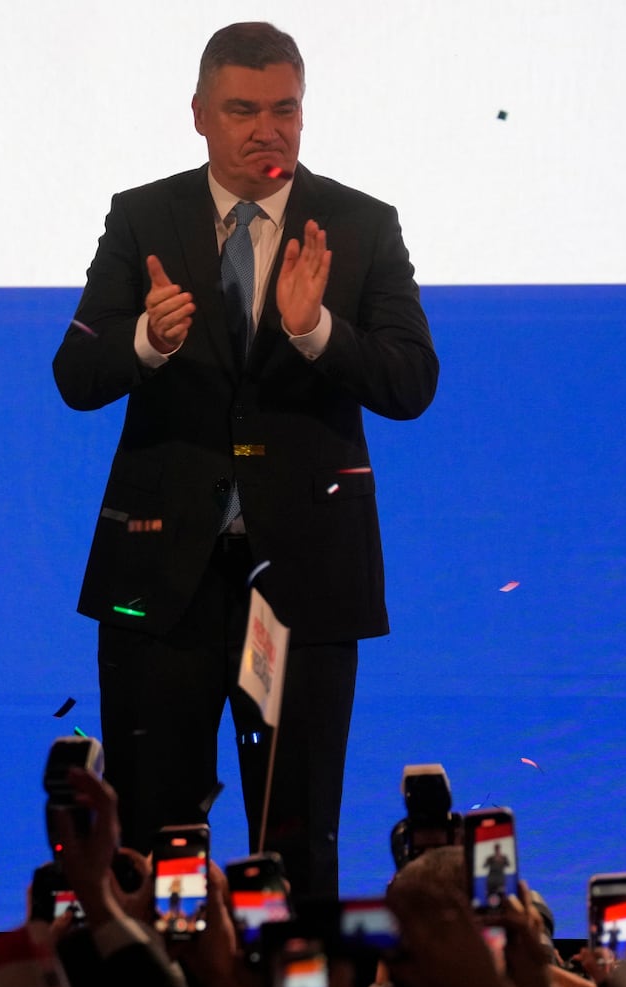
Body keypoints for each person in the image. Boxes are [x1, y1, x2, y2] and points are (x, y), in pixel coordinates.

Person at [51, 21, 438, 900]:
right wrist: (147, 339)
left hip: (306, 581)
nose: (267, 129)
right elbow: (75, 371)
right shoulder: (141, 216)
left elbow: (413, 380)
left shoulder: (362, 225)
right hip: (160, 579)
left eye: (285, 110)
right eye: (243, 110)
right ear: (199, 114)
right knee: (151, 840)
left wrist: (317, 331)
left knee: (298, 841)